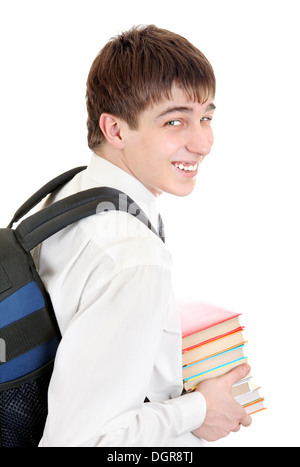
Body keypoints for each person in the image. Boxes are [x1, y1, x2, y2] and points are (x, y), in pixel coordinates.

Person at [35, 24, 252, 447]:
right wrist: (200, 411)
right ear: (115, 130)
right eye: (175, 121)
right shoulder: (136, 258)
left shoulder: (66, 195)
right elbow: (86, 442)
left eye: (206, 116)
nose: (203, 142)